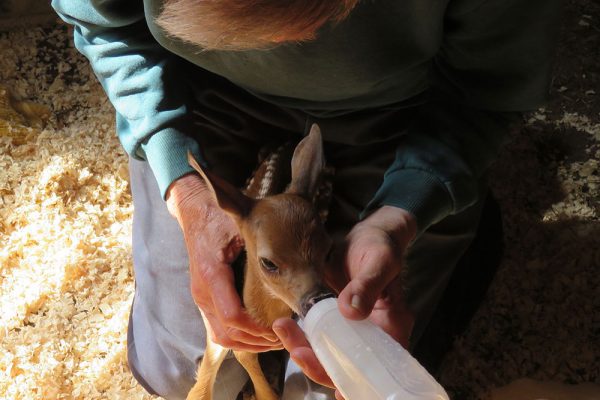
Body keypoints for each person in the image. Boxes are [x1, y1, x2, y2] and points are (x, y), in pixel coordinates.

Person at [51, 0, 561, 399]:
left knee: (331, 387)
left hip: (398, 111)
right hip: (200, 92)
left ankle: (459, 218)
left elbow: (485, 90)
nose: (280, 45)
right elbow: (105, 26)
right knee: (180, 372)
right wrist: (184, 189)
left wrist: (404, 212)